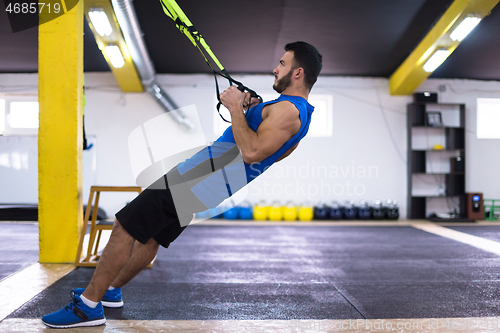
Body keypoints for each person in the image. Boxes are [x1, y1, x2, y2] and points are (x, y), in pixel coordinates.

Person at [42, 41, 323, 328]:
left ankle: (87, 306)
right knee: (151, 237)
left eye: (282, 64)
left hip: (194, 179)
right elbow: (269, 156)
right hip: (208, 188)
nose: (275, 69)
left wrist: (237, 108)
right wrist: (251, 110)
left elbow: (252, 153)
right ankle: (110, 290)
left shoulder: (287, 110)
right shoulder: (302, 116)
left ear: (298, 73)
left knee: (124, 225)